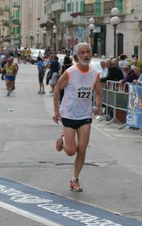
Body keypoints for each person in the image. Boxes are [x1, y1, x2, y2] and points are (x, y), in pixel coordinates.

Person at [52, 42, 102, 192]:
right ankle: (62, 140)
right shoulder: (70, 72)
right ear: (77, 56)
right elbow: (56, 89)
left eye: (88, 52)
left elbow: (99, 93)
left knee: (82, 148)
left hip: (85, 115)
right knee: (70, 151)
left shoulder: (94, 74)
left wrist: (98, 106)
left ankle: (74, 179)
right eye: (82, 53)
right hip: (68, 114)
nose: (86, 55)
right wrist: (56, 111)